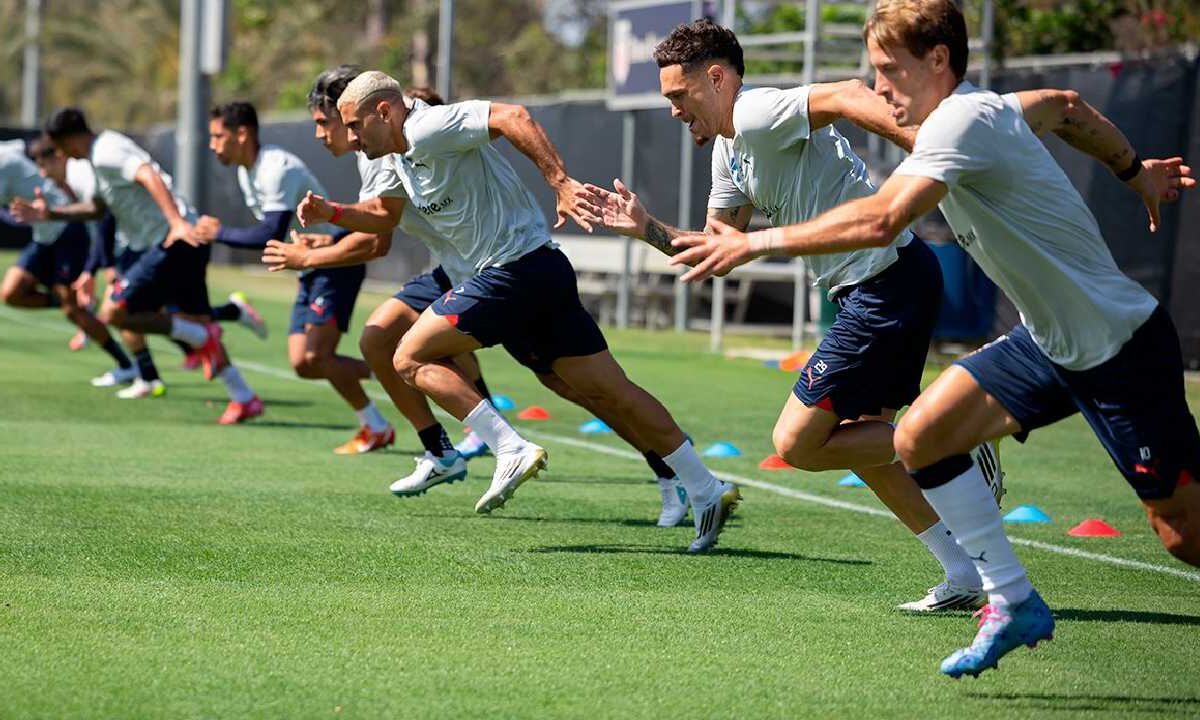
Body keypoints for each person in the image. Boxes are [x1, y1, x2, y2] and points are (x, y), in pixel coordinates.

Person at [670, 0, 1197, 677]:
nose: (878, 87)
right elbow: (1064, 106)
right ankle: (1012, 600)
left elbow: (880, 220)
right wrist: (1135, 172)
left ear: (939, 61)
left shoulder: (957, 123)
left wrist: (757, 244)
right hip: (1044, 343)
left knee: (1180, 533)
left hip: (1118, 343)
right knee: (919, 437)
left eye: (890, 70)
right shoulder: (983, 112)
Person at [584, 18, 1004, 609]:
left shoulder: (756, 112)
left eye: (679, 95)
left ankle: (954, 437)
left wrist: (932, 150)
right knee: (862, 447)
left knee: (797, 443)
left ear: (716, 78)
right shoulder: (728, 151)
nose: (674, 110)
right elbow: (719, 249)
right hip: (876, 287)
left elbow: (850, 94)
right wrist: (645, 227)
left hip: (886, 283)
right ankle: (962, 571)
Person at [294, 70, 738, 551]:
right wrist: (330, 213)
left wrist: (560, 182)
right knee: (609, 391)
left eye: (354, 126)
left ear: (384, 112)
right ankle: (704, 487)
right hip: (540, 269)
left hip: (512, 271)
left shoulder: (428, 126)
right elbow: (385, 215)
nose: (351, 138)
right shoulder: (399, 154)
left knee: (408, 357)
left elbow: (512, 116)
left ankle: (508, 448)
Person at [12, 107, 263, 423]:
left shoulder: (106, 152)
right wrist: (50, 214)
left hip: (171, 241)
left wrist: (175, 223)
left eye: (59, 146)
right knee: (194, 320)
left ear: (69, 139)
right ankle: (244, 397)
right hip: (176, 242)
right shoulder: (95, 159)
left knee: (114, 313)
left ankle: (199, 339)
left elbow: (147, 174)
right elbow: (97, 209)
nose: (59, 154)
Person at [197, 101, 390, 452]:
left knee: (318, 356)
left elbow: (269, 232)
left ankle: (377, 424)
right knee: (303, 362)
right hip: (310, 267)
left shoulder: (276, 168)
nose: (212, 145)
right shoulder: (247, 170)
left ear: (242, 134)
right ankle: (391, 378)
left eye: (218, 136)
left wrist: (217, 232)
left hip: (335, 262)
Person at [0, 137, 135, 381]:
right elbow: (22, 145)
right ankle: (67, 302)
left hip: (65, 228)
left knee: (73, 310)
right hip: (43, 234)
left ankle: (127, 365)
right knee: (10, 293)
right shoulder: (6, 150)